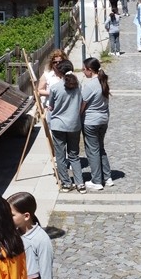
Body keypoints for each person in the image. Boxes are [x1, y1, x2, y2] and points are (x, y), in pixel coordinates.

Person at [47, 60, 85, 192]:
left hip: (58, 124)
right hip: (74, 124)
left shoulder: (55, 87)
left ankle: (66, 183)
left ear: (59, 72)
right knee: (74, 155)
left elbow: (51, 106)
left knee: (60, 155)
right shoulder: (78, 86)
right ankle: (80, 183)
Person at [80, 57, 112, 189]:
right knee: (100, 148)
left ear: (90, 70)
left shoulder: (90, 85)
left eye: (84, 69)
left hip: (91, 121)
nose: (82, 72)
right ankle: (107, 177)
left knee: (92, 150)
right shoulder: (102, 81)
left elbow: (82, 104)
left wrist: (78, 115)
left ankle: (97, 181)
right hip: (103, 119)